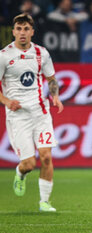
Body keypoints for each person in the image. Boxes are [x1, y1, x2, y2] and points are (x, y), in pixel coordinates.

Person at [0, 14, 64, 212]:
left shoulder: (41, 53)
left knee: (46, 157)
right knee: (29, 164)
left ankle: (44, 202)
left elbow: (51, 78)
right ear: (13, 32)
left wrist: (55, 96)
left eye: (26, 29)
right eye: (18, 29)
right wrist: (7, 101)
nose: (22, 33)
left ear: (32, 32)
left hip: (40, 112)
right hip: (18, 116)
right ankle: (20, 173)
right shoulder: (4, 56)